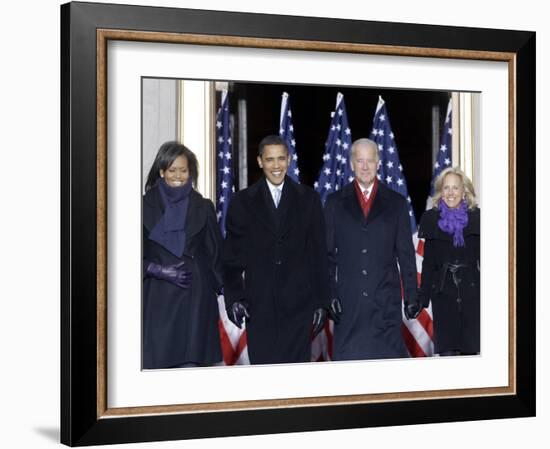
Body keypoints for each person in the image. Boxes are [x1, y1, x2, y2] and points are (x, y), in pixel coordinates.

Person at [222, 135, 330, 364]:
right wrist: (234, 299)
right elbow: (232, 258)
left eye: (281, 159)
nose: (276, 165)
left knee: (296, 381)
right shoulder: (242, 202)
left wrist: (322, 301)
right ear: (260, 161)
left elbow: (319, 255)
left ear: (289, 160)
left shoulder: (308, 199)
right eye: (270, 160)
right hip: (259, 308)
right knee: (264, 380)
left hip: (299, 308)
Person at [324, 138, 420, 360]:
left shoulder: (396, 203)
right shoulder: (334, 202)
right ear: (351, 164)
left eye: (370, 161)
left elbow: (406, 255)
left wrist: (412, 296)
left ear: (378, 163)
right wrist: (328, 295)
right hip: (348, 308)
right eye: (360, 161)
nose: (365, 166)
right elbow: (326, 256)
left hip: (385, 306)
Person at [142, 141, 223, 369]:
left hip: (196, 304)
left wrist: (222, 291)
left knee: (193, 377)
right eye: (172, 170)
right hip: (157, 301)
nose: (178, 175)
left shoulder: (204, 207)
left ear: (191, 173)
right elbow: (122, 259)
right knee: (157, 374)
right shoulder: (140, 206)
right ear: (161, 171)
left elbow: (216, 255)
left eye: (184, 170)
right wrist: (156, 270)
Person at [417, 167, 480, 356]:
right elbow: (428, 265)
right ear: (440, 191)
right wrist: (422, 298)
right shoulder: (431, 219)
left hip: (473, 295)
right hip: (443, 295)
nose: (450, 193)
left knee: (472, 355)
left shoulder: (478, 218)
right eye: (446, 188)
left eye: (455, 188)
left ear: (464, 191)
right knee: (448, 357)